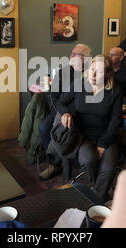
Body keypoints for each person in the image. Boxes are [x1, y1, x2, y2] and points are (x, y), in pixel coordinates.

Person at [57, 55, 122, 201]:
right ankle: (98, 192)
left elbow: (115, 121)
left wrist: (103, 144)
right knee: (89, 160)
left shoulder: (115, 91)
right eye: (92, 69)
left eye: (98, 72)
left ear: (107, 73)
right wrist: (65, 112)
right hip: (82, 137)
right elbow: (60, 101)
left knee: (108, 169)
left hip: (106, 136)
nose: (93, 74)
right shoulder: (80, 84)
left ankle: (96, 201)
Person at [38, 43, 91, 180]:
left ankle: (70, 159)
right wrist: (62, 112)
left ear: (85, 59)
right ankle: (55, 164)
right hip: (61, 110)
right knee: (44, 127)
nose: (71, 56)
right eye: (72, 53)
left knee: (75, 129)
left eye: (76, 54)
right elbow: (53, 97)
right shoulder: (63, 72)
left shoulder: (92, 72)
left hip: (83, 113)